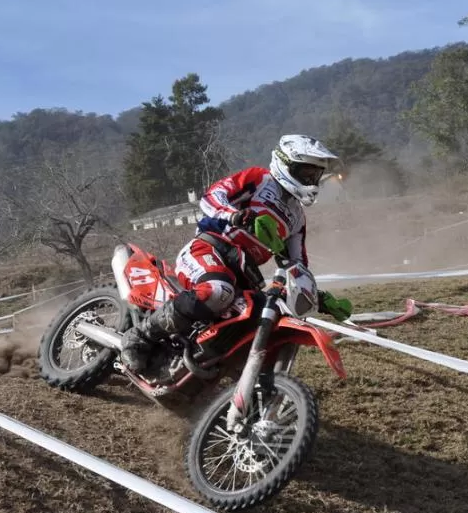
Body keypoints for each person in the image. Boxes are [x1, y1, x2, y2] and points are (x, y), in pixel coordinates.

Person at [120, 134, 354, 372]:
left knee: (259, 316)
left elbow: (296, 265)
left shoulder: (296, 219)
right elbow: (211, 197)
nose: (311, 180)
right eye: (306, 173)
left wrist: (318, 297)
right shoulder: (259, 179)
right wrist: (235, 216)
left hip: (244, 276)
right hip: (209, 249)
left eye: (315, 175)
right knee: (218, 291)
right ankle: (139, 336)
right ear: (287, 164)